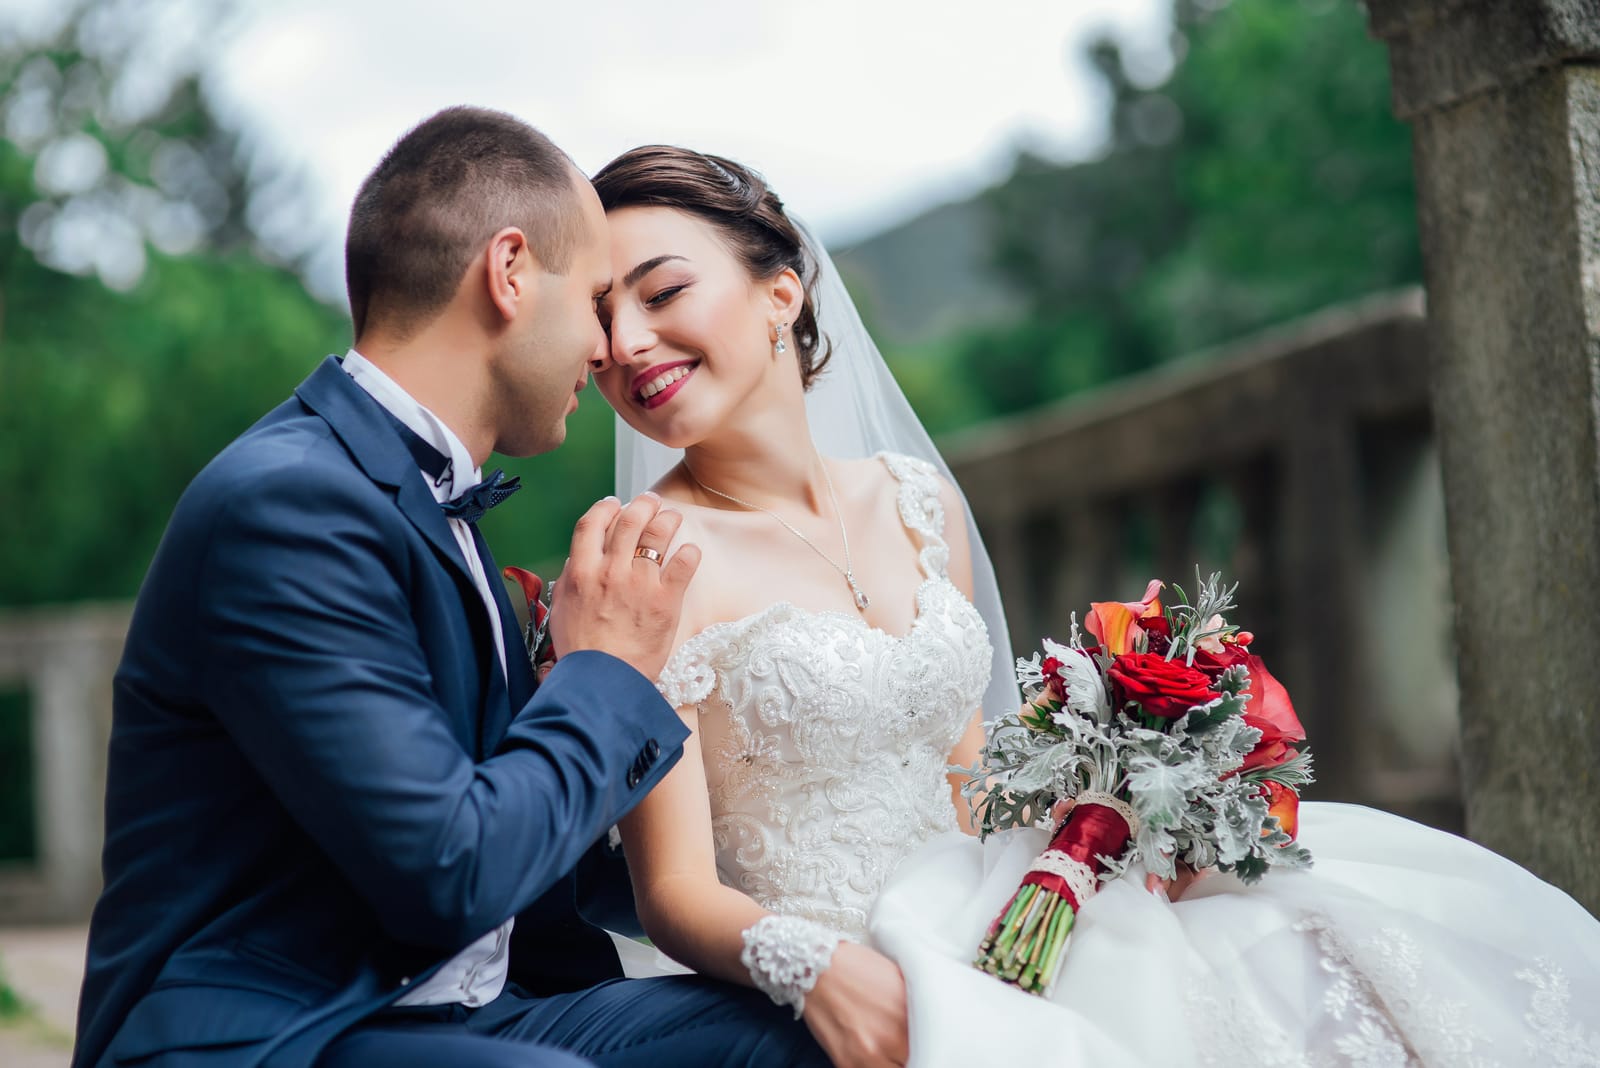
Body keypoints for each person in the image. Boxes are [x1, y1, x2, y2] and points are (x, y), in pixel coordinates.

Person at [587, 143, 1600, 1068]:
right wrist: (814, 971)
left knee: (1310, 932)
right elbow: (671, 891)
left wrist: (1100, 824)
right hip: (866, 957)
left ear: (779, 293)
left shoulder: (914, 500)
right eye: (598, 318)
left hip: (998, 905)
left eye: (661, 291)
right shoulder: (648, 560)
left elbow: (963, 781)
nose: (627, 342)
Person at [71, 109, 828, 1068]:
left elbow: (524, 851)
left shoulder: (432, 507)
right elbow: (449, 872)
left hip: (488, 1009)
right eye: (595, 299)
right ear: (510, 273)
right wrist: (603, 670)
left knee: (799, 1028)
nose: (606, 350)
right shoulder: (291, 505)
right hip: (286, 1030)